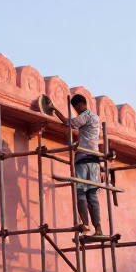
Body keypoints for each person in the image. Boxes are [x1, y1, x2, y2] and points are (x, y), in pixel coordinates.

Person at [40, 93, 105, 238]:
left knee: (81, 192)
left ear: (80, 105)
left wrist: (54, 109)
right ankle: (99, 229)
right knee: (92, 195)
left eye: (76, 108)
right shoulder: (95, 117)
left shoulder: (85, 115)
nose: (77, 111)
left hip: (83, 158)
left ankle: (85, 225)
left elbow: (69, 123)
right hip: (94, 159)